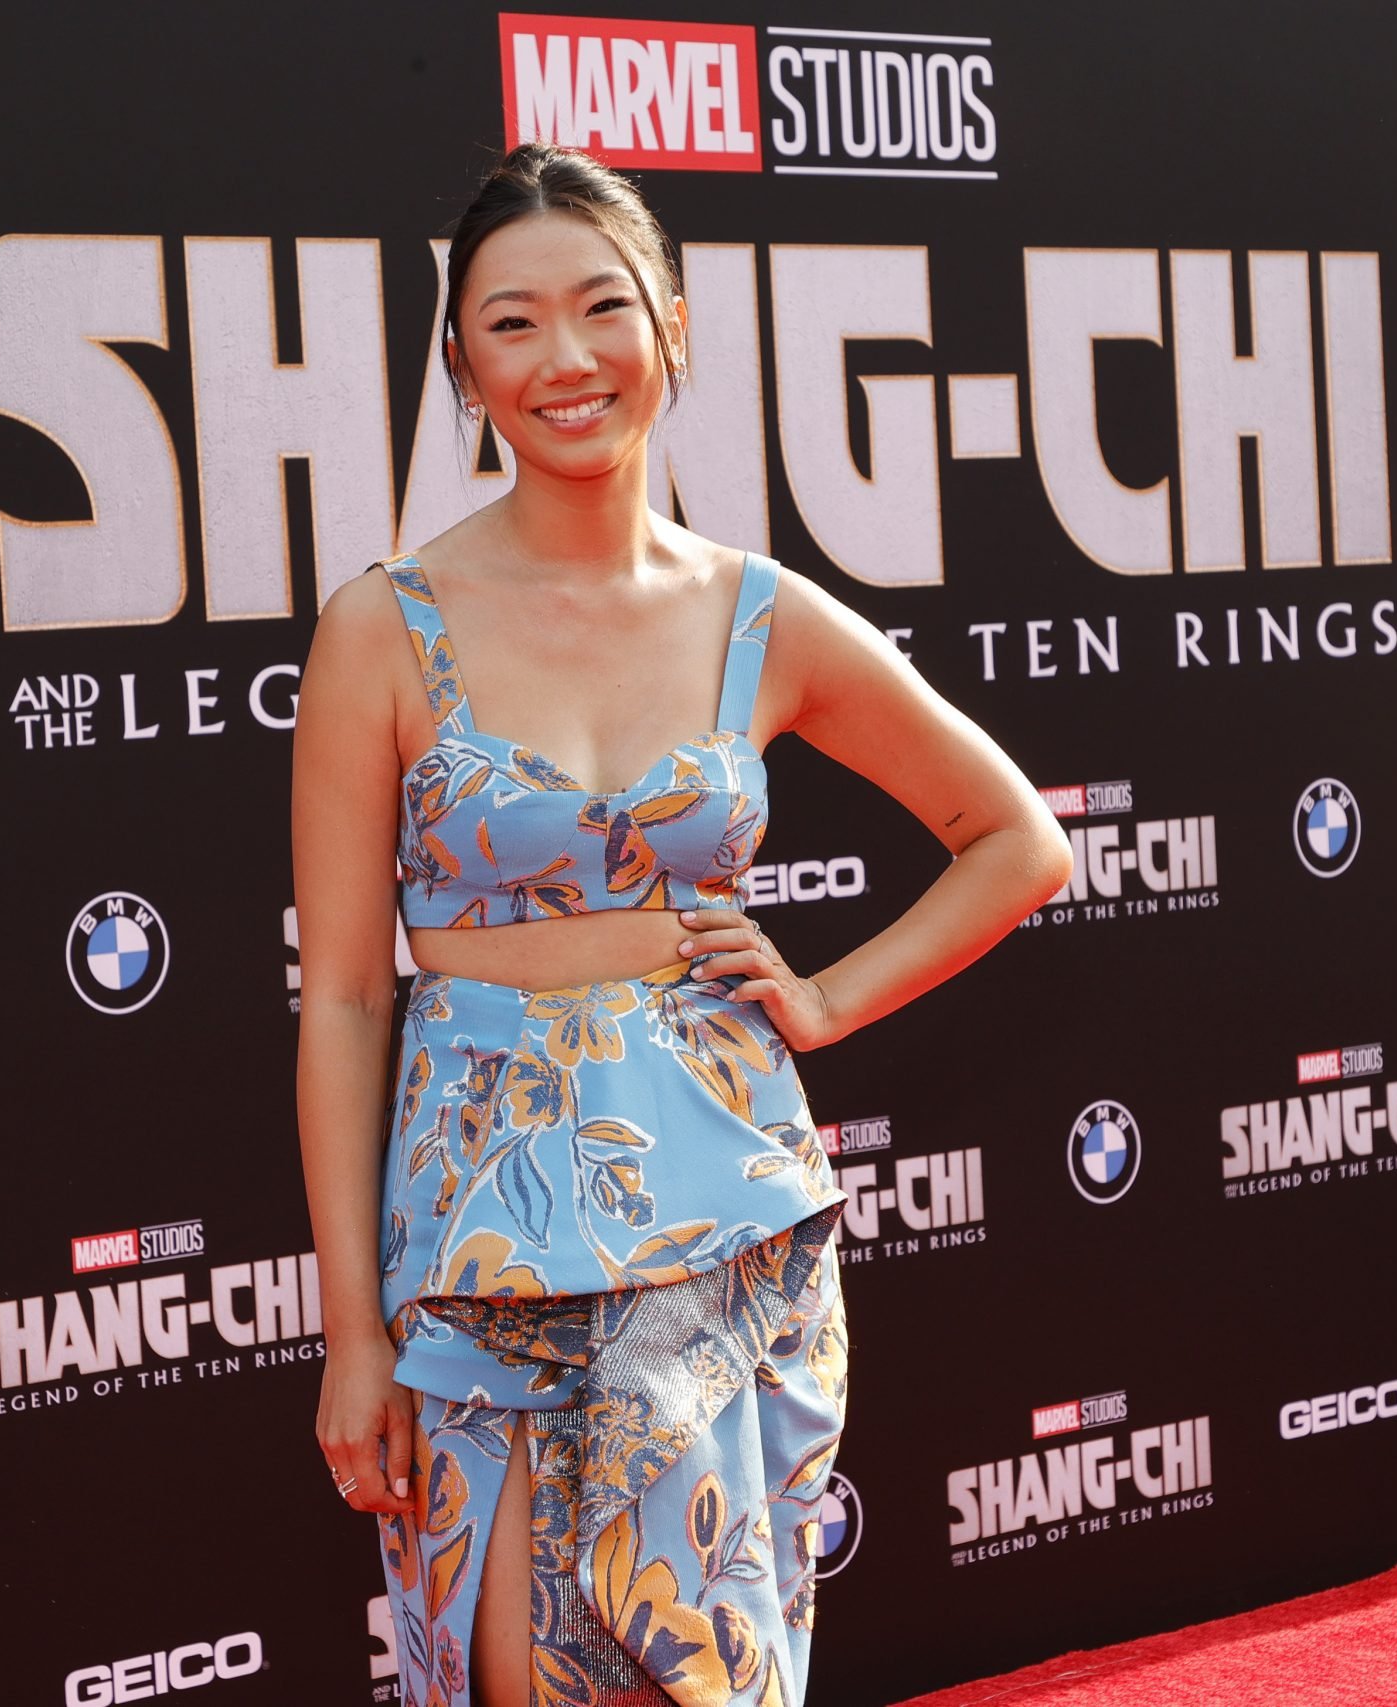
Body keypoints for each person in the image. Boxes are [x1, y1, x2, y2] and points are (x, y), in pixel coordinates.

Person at [293, 141, 1070, 1707]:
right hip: (481, 1233)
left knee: (711, 1675)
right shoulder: (382, 628)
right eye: (512, 322)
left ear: (674, 327)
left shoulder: (758, 614)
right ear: (461, 364)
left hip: (726, 1216)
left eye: (603, 307)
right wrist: (352, 1335)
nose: (566, 359)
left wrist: (827, 1001)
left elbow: (1019, 842)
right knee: (514, 1672)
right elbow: (349, 1003)